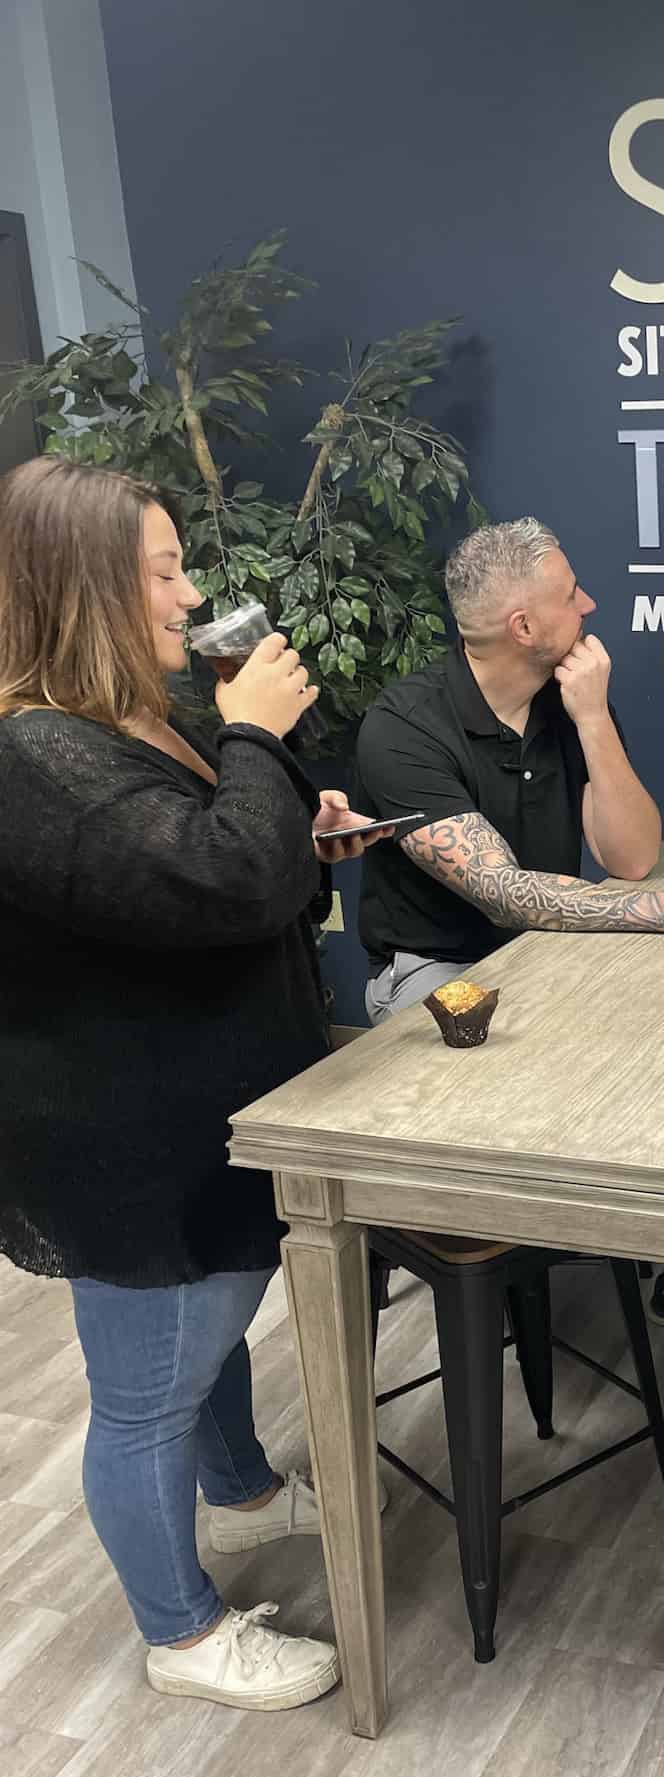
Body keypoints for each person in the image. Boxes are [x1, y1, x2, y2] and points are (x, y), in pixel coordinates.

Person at [0, 457, 394, 1709]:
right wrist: (258, 739)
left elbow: (239, 875)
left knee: (216, 1333)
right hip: (124, 1136)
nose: (189, 593)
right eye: (161, 571)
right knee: (149, 1389)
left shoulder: (128, 721)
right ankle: (181, 1635)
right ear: (81, 587)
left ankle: (242, 1499)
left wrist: (296, 822)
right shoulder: (35, 754)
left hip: (207, 1107)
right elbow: (217, 881)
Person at [354, 516, 664, 1344]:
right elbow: (509, 898)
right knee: (558, 1079)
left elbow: (629, 857)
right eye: (572, 596)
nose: (591, 605)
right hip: (437, 974)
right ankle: (511, 1259)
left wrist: (592, 720)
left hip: (550, 953)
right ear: (525, 628)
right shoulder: (405, 727)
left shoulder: (567, 698)